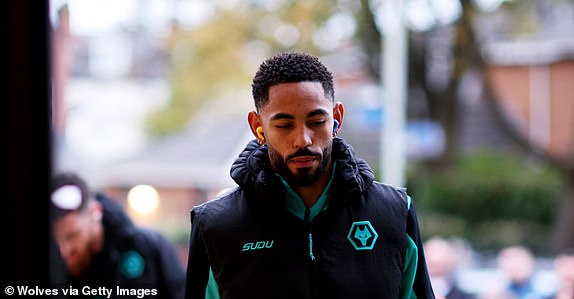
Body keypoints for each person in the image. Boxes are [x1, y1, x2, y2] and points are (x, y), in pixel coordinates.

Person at [184, 51, 435, 299]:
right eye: (284, 125)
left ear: (336, 118)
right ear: (257, 126)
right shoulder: (215, 225)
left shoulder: (394, 212)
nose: (302, 140)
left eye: (316, 122)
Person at [50, 171, 186, 298]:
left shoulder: (149, 248)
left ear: (95, 212)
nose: (64, 250)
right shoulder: (55, 266)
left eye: (72, 235)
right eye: (57, 238)